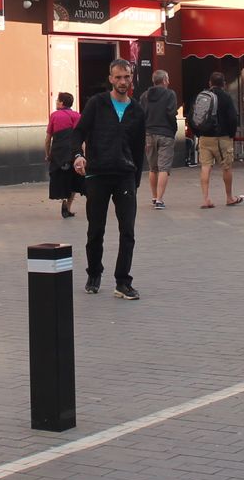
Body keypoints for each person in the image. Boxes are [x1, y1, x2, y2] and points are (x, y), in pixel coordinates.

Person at [72, 57, 146, 299]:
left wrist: (135, 179)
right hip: (98, 175)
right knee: (96, 229)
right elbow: (79, 132)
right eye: (118, 77)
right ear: (111, 79)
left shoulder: (136, 109)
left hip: (125, 175)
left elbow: (138, 146)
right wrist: (77, 156)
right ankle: (94, 273)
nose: (122, 81)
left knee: (128, 231)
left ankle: (123, 281)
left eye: (126, 77)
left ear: (131, 78)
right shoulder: (97, 103)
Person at [190, 71, 244, 209]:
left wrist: (199, 133)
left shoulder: (202, 96)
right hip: (222, 138)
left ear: (210, 83)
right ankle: (229, 197)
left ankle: (206, 199)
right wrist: (231, 134)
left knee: (205, 167)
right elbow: (233, 118)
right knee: (226, 167)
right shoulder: (226, 97)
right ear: (224, 84)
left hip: (205, 138)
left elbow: (193, 117)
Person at [141, 69, 180, 208]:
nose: (168, 81)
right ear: (164, 80)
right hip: (165, 133)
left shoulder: (145, 96)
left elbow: (141, 115)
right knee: (164, 168)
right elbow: (171, 113)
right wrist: (173, 128)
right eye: (167, 79)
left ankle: (153, 196)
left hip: (149, 133)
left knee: (153, 168)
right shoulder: (170, 94)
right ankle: (159, 199)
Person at [45, 92, 82, 218]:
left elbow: (48, 138)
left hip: (58, 154)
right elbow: (81, 138)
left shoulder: (54, 116)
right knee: (74, 180)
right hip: (74, 153)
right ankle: (68, 206)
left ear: (61, 103)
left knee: (61, 179)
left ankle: (64, 200)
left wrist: (47, 154)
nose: (56, 102)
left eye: (57, 100)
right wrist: (83, 155)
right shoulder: (77, 115)